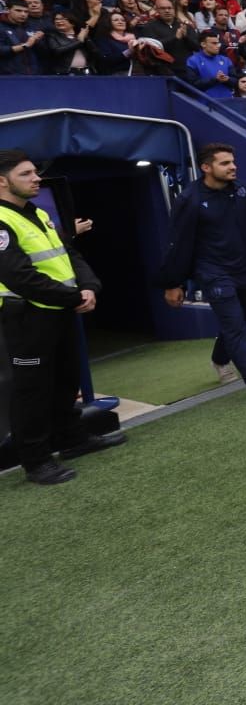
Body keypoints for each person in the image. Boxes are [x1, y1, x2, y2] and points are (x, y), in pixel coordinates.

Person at [0, 149, 122, 485]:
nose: (36, 178)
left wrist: (89, 286)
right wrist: (73, 297)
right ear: (2, 181)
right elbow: (19, 277)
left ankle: (72, 440)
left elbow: (68, 253)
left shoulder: (36, 213)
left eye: (34, 173)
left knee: (66, 381)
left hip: (60, 311)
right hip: (27, 319)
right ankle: (36, 462)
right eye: (26, 174)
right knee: (31, 391)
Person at [159, 143, 246, 402]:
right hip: (211, 272)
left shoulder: (244, 190)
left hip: (244, 268)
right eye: (225, 163)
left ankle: (220, 360)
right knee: (234, 327)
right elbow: (177, 243)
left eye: (233, 161)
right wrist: (174, 282)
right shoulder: (189, 199)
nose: (233, 166)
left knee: (238, 323)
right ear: (206, 168)